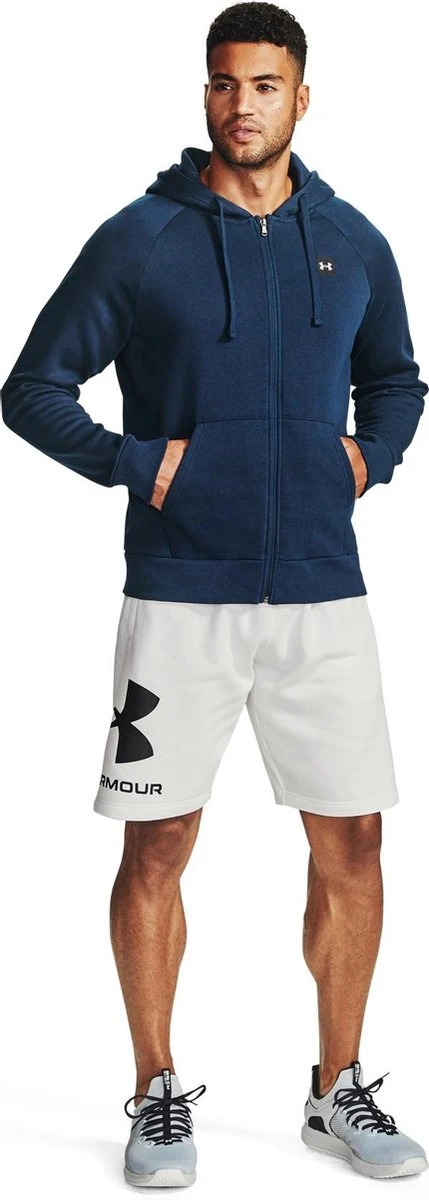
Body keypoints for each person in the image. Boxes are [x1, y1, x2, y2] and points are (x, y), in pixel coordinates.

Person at [1, 0, 428, 1186]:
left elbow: (398, 380)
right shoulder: (142, 239)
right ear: (205, 94)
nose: (245, 104)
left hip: (324, 594)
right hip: (181, 595)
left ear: (303, 97)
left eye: (267, 84)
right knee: (158, 844)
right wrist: (141, 466)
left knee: (355, 842)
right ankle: (154, 1091)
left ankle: (337, 1089)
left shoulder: (354, 240)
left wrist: (365, 459)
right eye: (227, 83)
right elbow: (33, 388)